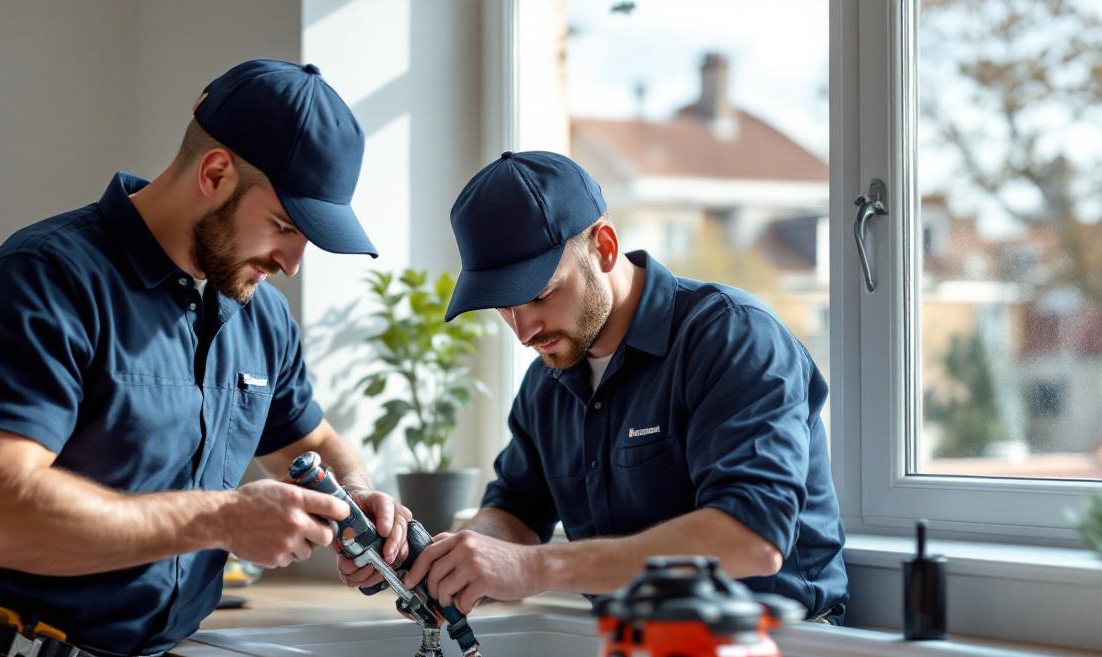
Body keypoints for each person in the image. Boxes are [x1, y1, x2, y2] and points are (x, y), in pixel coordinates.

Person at [0, 60, 413, 657]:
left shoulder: (260, 320)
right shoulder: (43, 281)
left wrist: (361, 503)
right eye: (284, 225)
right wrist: (222, 519)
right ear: (216, 172)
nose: (292, 261)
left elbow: (310, 439)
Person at [340, 150, 847, 622]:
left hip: (780, 655)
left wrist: (537, 568)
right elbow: (516, 511)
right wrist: (452, 559)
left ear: (604, 248)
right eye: (502, 305)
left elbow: (751, 537)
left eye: (539, 295)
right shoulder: (549, 380)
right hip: (633, 651)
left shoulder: (732, 337)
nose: (523, 331)